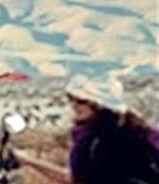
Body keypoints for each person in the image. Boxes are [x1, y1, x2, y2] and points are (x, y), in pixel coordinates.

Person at [14, 75, 159, 184]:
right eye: (71, 98)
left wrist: (26, 161)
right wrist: (27, 161)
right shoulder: (136, 129)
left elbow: (74, 179)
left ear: (100, 104)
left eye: (82, 101)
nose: (74, 105)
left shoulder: (95, 140)